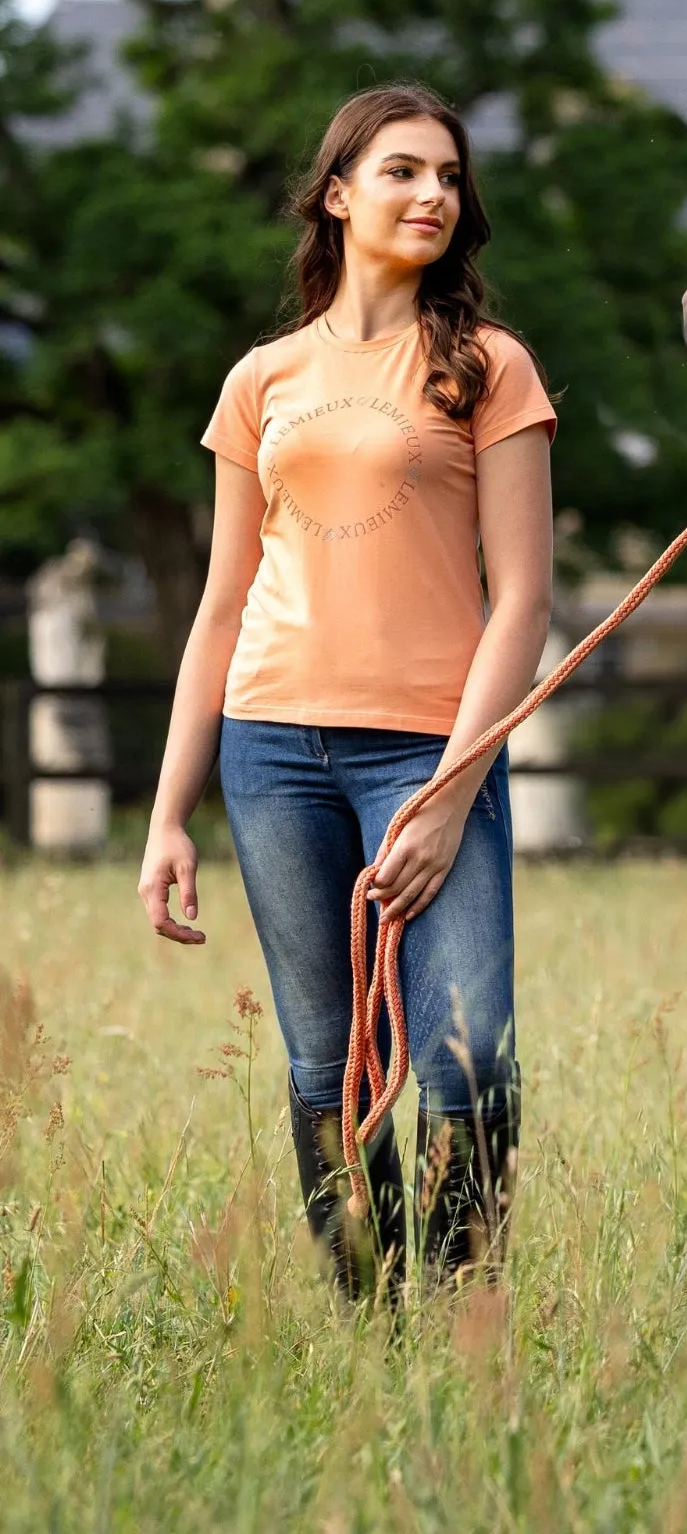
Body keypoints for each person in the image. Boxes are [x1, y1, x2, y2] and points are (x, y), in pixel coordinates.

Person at [138, 83, 556, 1302]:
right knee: (332, 1061)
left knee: (469, 1059)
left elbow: (522, 599)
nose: (434, 193)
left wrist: (448, 791)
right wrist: (170, 814)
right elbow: (220, 605)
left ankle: (456, 1317)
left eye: (449, 177)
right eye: (402, 171)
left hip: (432, 754)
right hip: (270, 753)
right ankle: (373, 1324)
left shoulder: (486, 368)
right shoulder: (258, 380)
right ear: (338, 194)